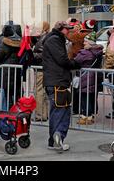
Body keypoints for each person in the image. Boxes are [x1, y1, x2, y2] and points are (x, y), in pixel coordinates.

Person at [42, 21, 81, 152]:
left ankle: (55, 139)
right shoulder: (55, 40)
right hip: (57, 82)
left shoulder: (54, 39)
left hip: (55, 81)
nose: (69, 31)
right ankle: (57, 136)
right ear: (61, 29)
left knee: (58, 110)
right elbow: (62, 60)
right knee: (60, 111)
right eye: (67, 29)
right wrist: (76, 63)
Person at [74, 32, 104, 125]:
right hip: (94, 77)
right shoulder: (98, 52)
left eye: (85, 42)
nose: (83, 43)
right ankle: (90, 116)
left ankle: (86, 117)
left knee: (84, 97)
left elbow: (76, 60)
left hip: (85, 77)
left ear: (90, 43)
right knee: (91, 97)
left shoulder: (85, 53)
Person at [0, 24, 22, 111]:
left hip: (6, 71)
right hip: (16, 69)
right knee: (16, 92)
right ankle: (16, 110)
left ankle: (8, 111)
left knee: (7, 93)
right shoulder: (19, 42)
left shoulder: (5, 43)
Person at [32, 21, 50, 121]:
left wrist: (33, 54)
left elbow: (44, 54)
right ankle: (44, 114)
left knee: (39, 91)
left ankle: (40, 115)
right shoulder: (44, 37)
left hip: (40, 67)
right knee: (42, 91)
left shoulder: (45, 38)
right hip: (42, 67)